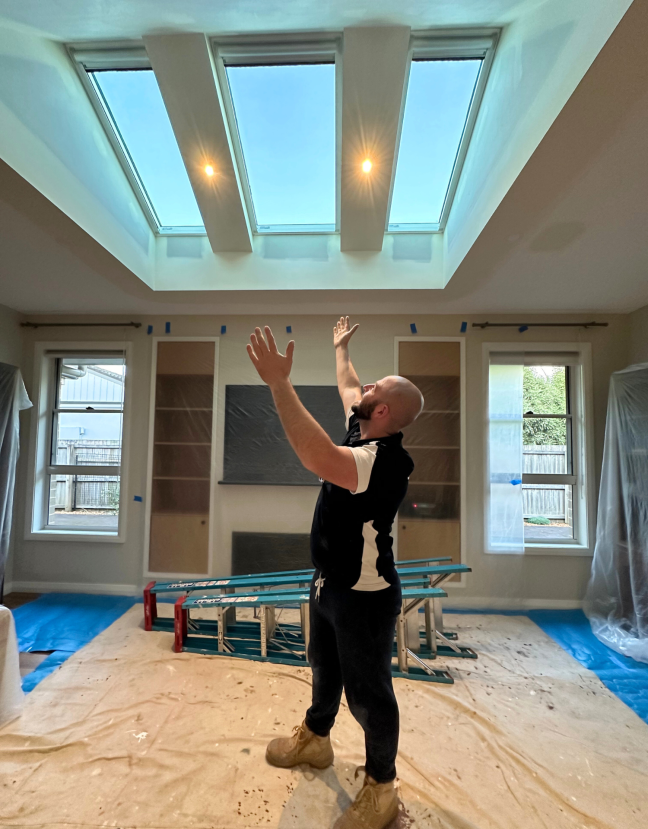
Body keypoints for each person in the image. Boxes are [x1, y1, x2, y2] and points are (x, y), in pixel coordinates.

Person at [246, 317, 423, 829]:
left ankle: (382, 787)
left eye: (375, 388)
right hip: (329, 581)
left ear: (384, 410)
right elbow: (349, 384)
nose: (363, 388)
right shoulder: (363, 426)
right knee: (323, 670)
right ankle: (317, 741)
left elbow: (315, 456)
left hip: (365, 596)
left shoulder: (382, 460)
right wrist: (342, 349)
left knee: (368, 696)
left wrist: (280, 384)